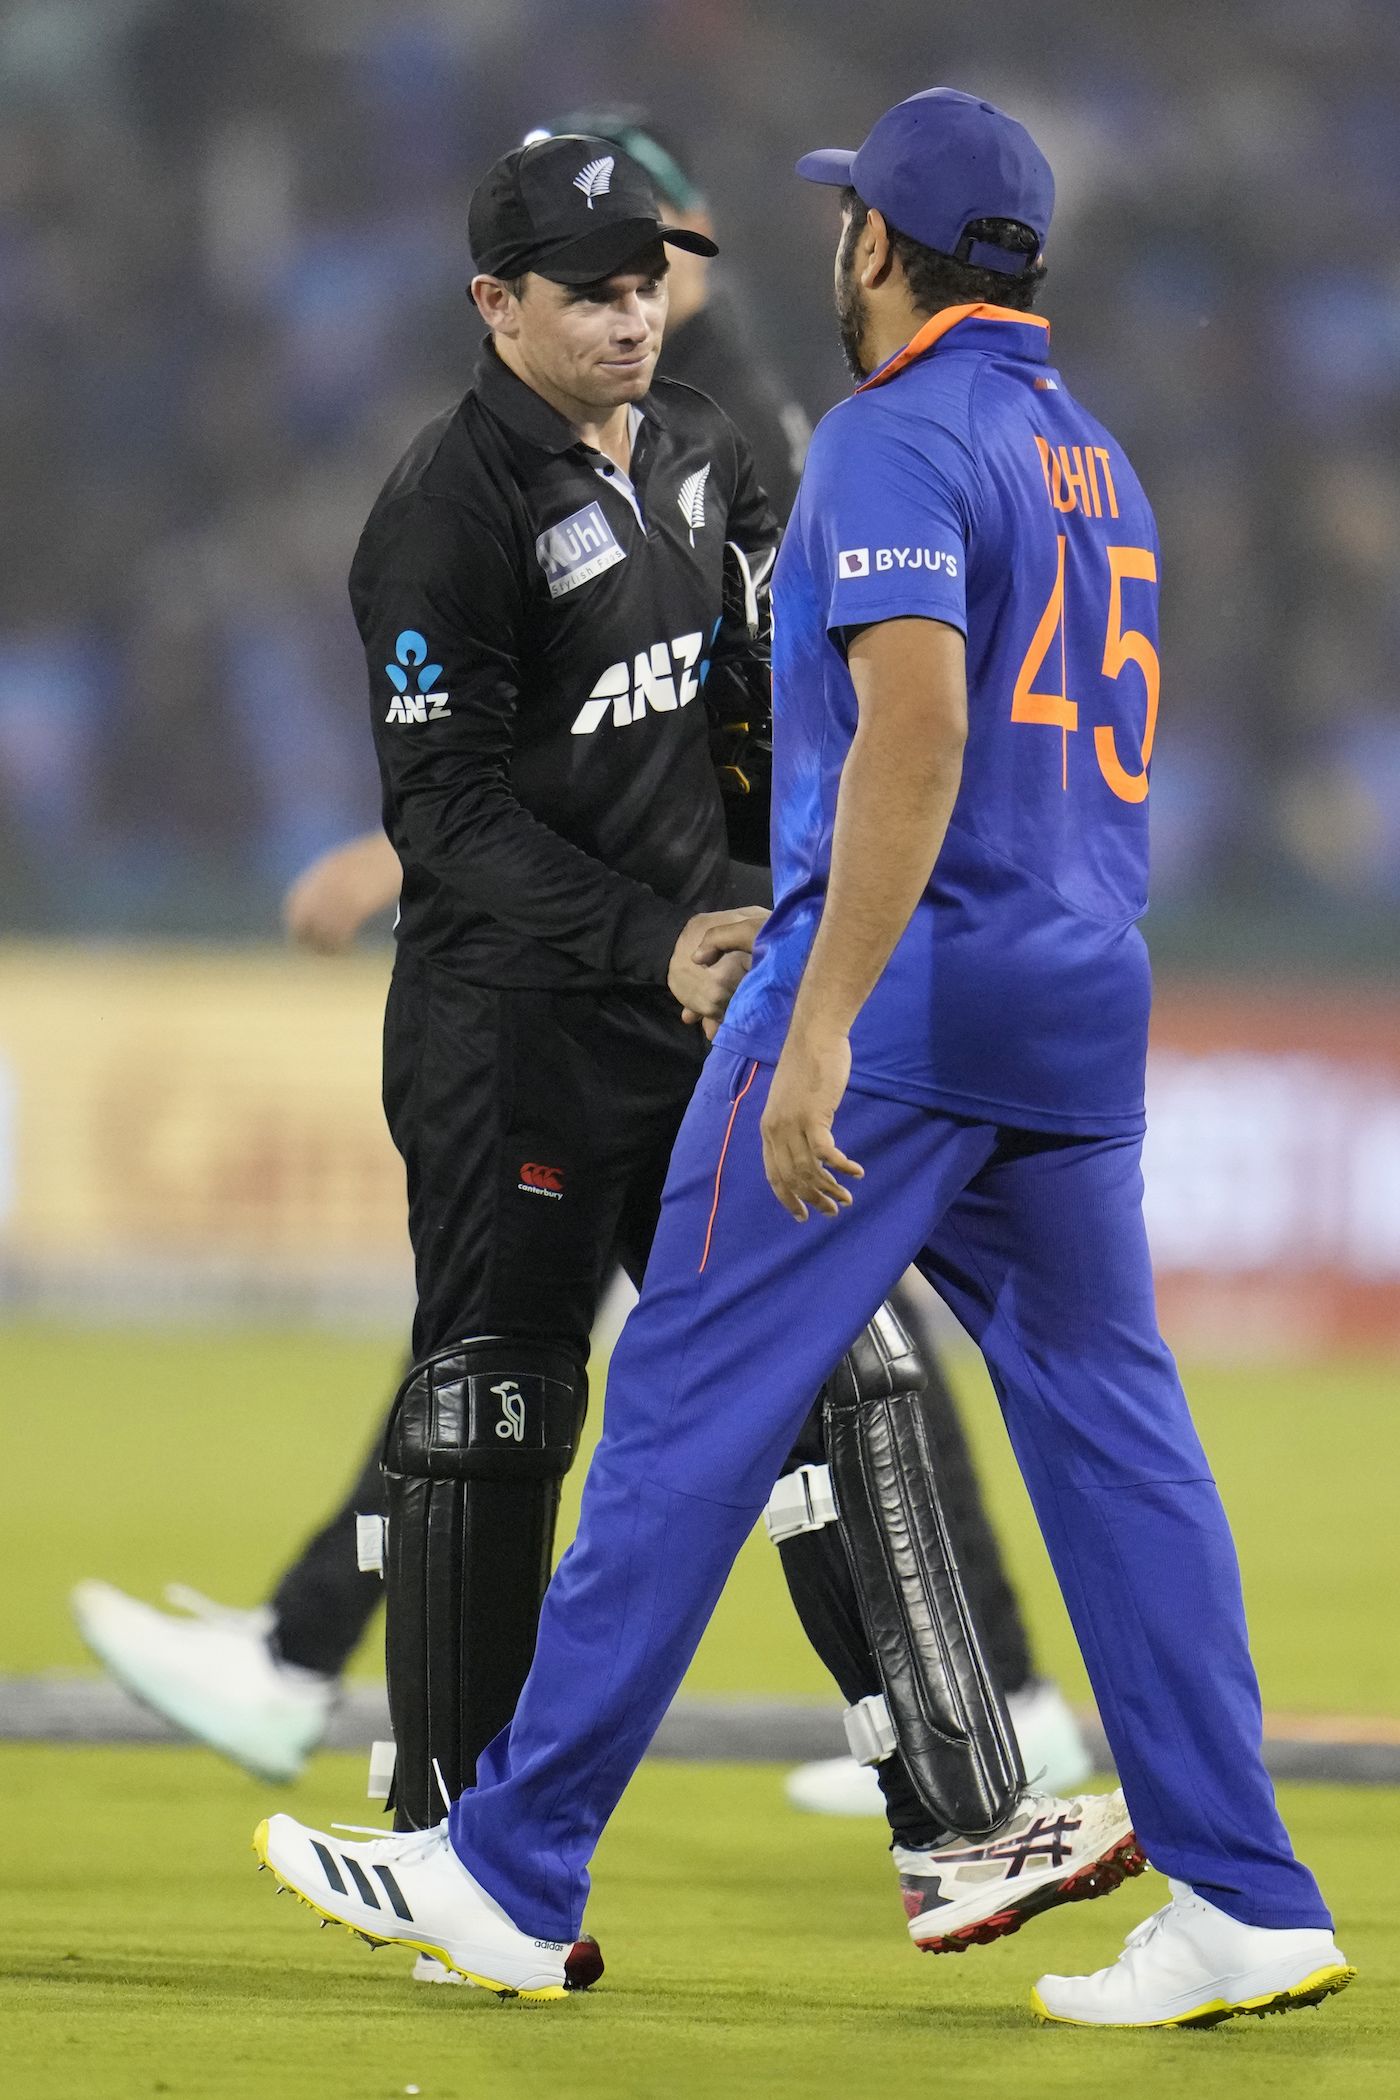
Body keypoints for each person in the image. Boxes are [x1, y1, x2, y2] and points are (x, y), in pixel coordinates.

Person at [255, 89, 1354, 2029]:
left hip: (907, 994)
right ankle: (1245, 1893)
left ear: (876, 249)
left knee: (679, 1400)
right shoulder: (1095, 457)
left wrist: (822, 1014)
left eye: (848, 223)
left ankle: (509, 1872)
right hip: (1081, 986)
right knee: (1118, 1433)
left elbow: (912, 733)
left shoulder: (882, 442)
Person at [75, 112, 1090, 1819]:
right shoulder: (437, 514)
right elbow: (450, 815)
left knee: (840, 1380)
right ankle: (452, 1841)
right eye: (589, 291)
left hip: (702, 1014)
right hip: (510, 1035)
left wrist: (786, 901)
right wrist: (658, 937)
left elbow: (774, 712)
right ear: (495, 304)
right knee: (496, 1415)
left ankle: (968, 1820)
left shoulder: (704, 451)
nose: (630, 318)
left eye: (646, 284)